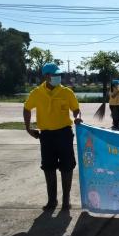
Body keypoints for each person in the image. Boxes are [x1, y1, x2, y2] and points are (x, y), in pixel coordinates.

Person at [23, 63, 82, 211]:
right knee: (48, 168)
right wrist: (28, 128)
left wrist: (78, 117)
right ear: (47, 76)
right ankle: (52, 200)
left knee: (67, 167)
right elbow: (27, 108)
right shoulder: (36, 93)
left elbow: (76, 109)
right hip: (46, 136)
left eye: (59, 75)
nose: (58, 77)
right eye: (55, 75)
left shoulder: (67, 92)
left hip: (64, 134)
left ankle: (66, 201)